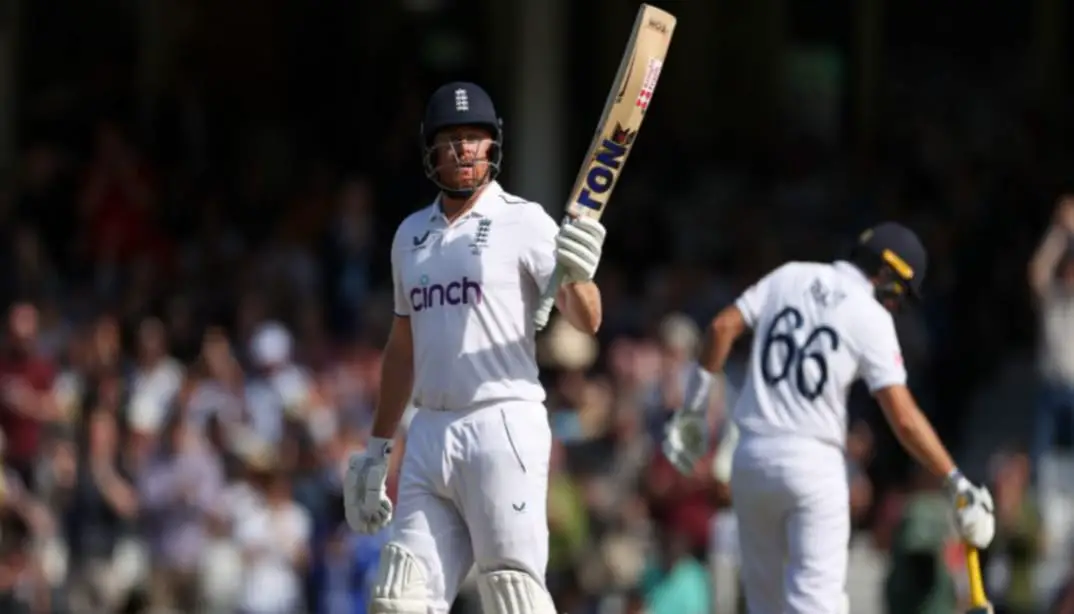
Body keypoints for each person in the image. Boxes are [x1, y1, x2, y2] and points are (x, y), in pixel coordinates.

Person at [342, 82, 605, 614]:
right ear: (432, 150)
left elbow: (587, 318)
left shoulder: (525, 220)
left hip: (501, 423)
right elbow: (402, 347)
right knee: (398, 601)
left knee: (514, 596)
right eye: (453, 139)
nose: (465, 150)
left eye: (476, 138)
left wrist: (579, 273)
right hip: (429, 432)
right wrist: (376, 449)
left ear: (494, 146)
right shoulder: (409, 235)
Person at [661, 222, 996, 614]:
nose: (896, 305)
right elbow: (903, 418)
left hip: (751, 460)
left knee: (763, 607)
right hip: (812, 466)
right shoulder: (870, 315)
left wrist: (693, 412)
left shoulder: (789, 276)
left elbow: (721, 328)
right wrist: (956, 482)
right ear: (887, 272)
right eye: (900, 294)